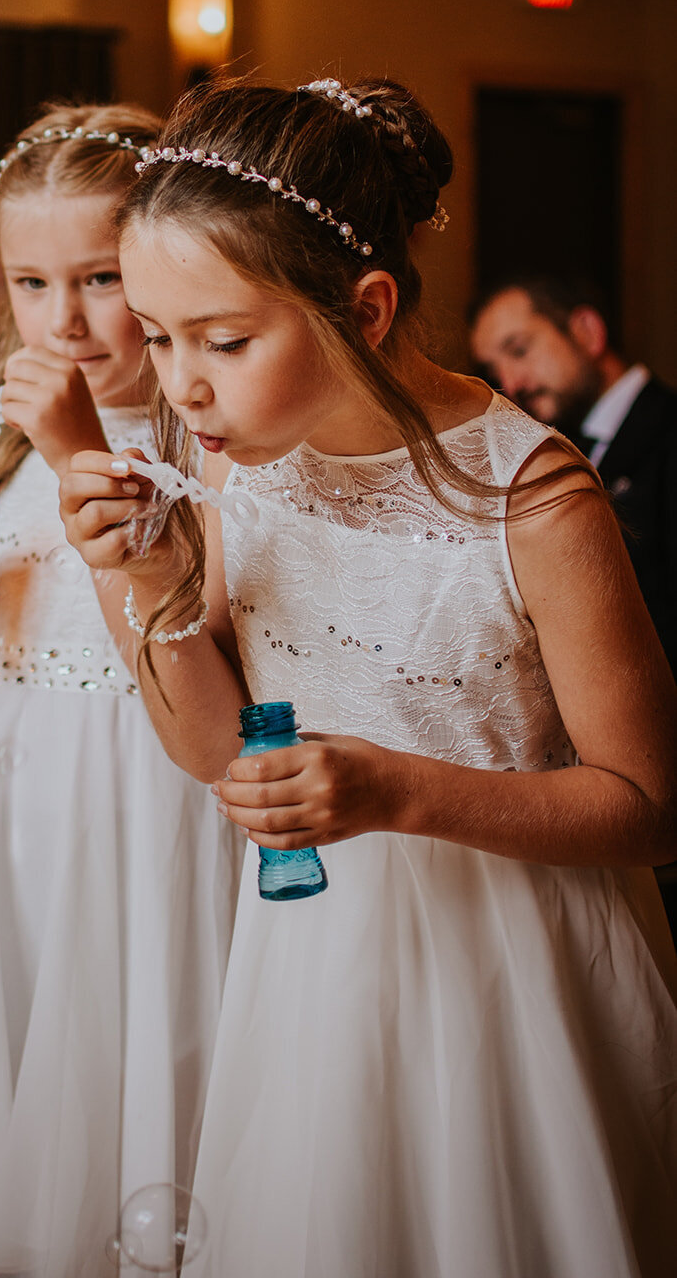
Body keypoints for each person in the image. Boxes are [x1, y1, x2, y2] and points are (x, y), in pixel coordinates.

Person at [60, 76, 677, 1278]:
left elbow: (649, 806)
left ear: (365, 308)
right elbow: (215, 751)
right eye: (159, 336)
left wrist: (396, 792)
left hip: (518, 979)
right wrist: (132, 582)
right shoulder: (246, 461)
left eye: (223, 340)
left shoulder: (534, 500)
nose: (180, 387)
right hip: (316, 966)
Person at [0, 104, 241, 1278]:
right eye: (30, 283)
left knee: (149, 1079)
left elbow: (203, 640)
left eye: (98, 277)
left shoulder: (212, 438)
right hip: (22, 807)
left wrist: (76, 436)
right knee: (43, 1100)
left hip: (152, 804)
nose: (67, 320)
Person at [469, 275, 677, 671]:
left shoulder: (668, 431)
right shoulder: (546, 451)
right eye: (496, 370)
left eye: (519, 350)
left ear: (587, 332)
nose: (510, 384)